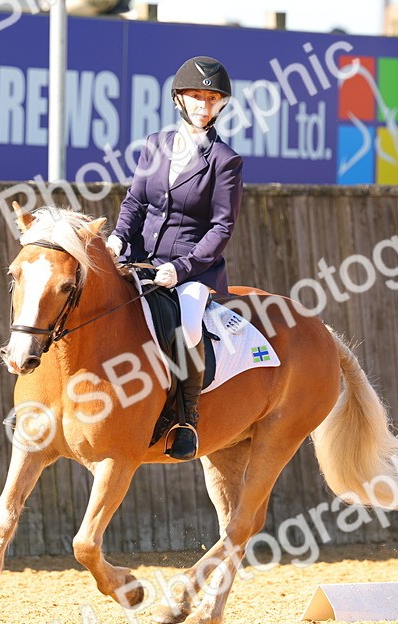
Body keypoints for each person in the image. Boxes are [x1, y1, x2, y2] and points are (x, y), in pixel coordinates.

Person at [106, 56, 244, 461]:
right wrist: (117, 240)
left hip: (191, 271)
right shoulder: (155, 144)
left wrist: (181, 267)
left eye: (212, 98)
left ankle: (187, 419)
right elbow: (135, 201)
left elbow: (221, 229)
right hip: (138, 258)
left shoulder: (225, 161)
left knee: (187, 331)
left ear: (221, 105)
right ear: (179, 99)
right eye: (196, 96)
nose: (204, 105)